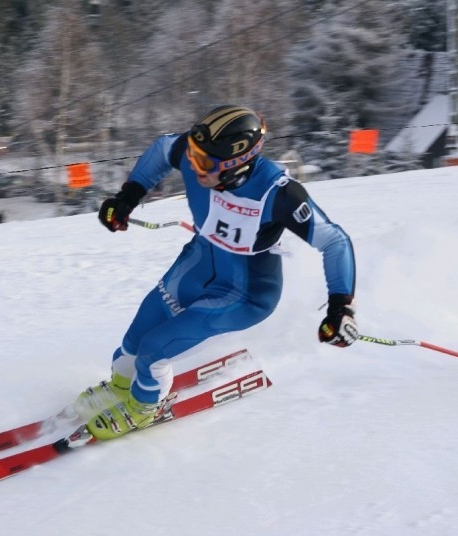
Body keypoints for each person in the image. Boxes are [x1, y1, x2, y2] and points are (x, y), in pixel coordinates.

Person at [78, 105, 357, 441]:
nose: (192, 165)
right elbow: (164, 148)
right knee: (134, 339)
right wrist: (127, 198)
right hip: (198, 263)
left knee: (153, 350)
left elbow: (335, 241)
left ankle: (142, 408)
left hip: (245, 294)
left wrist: (340, 306)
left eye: (204, 162)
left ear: (235, 166)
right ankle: (121, 387)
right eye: (193, 155)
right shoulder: (196, 153)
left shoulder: (279, 193)